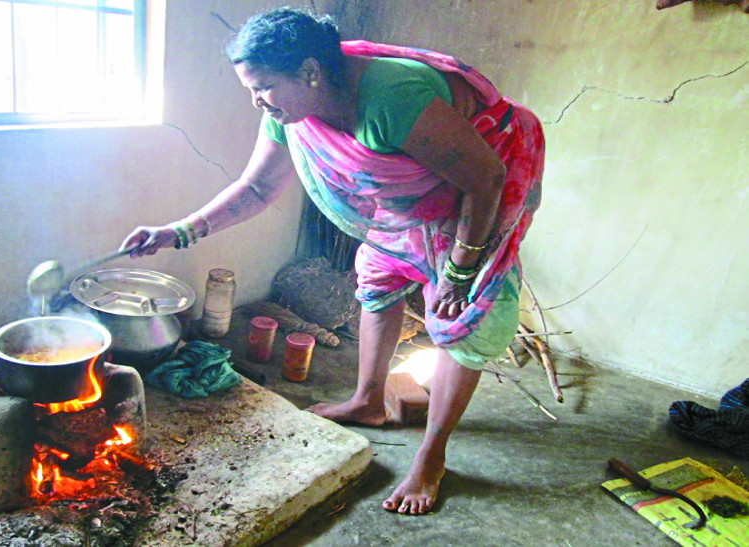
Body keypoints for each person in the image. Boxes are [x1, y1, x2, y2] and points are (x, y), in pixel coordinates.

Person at [120, 7, 544, 515]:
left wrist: (458, 270)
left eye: (263, 87)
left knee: (461, 320)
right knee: (378, 283)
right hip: (409, 204)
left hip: (474, 201)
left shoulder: (391, 97)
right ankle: (368, 399)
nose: (257, 101)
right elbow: (256, 188)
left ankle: (432, 455)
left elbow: (485, 178)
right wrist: (178, 231)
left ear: (310, 73)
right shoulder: (292, 113)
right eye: (249, 89)